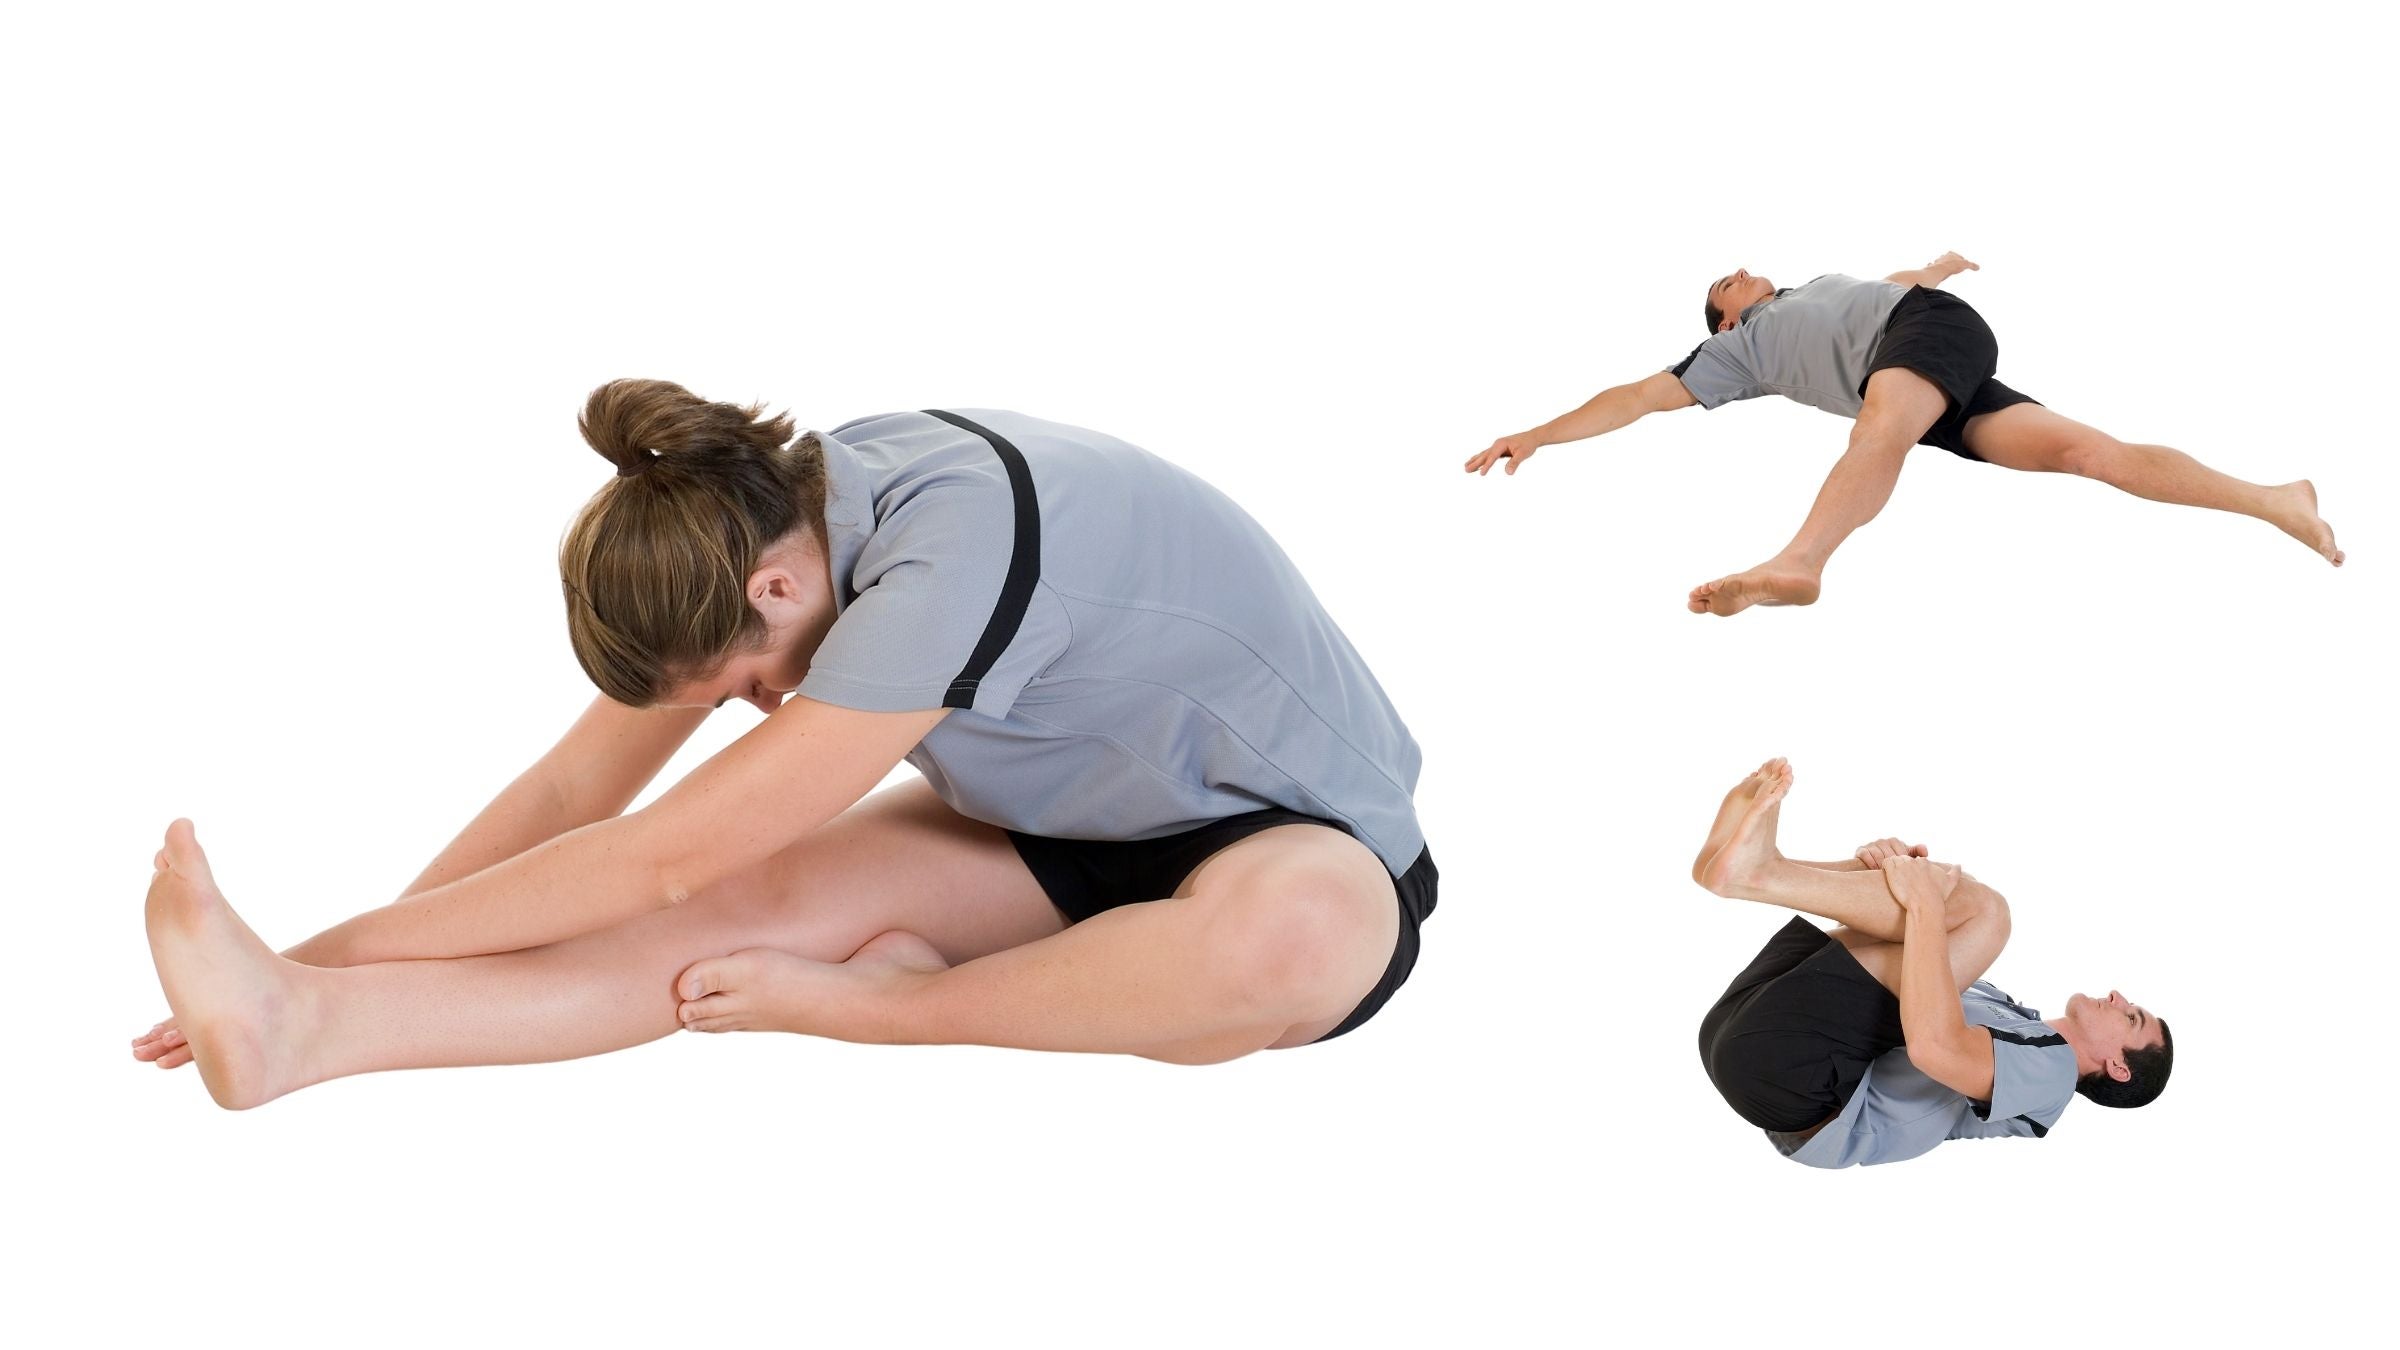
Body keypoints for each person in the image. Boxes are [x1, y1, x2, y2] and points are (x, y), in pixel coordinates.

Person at [132, 381, 1435, 1109]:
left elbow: (659, 856)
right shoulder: (765, 533)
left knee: (1289, 943)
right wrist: (293, 966)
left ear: (769, 595)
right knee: (726, 911)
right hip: (1054, 833)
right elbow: (577, 786)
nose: (760, 711)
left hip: (1296, 844)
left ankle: (905, 1007)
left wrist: (344, 931)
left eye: (744, 691)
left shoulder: (946, 557)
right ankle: (307, 1032)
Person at [1465, 253, 2342, 615]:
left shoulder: (1810, 291)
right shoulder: (1733, 356)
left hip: (1926, 334)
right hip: (1921, 377)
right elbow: (1633, 398)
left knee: (1880, 425)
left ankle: (1801, 561)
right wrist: (1537, 434)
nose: (1737, 270)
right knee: (2089, 455)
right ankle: (2274, 499)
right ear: (1722, 322)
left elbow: (1897, 286)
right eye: (1723, 282)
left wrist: (1942, 263)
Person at [1688, 759, 2170, 1168]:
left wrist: (1922, 903)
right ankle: (1761, 868)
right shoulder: (2010, 1015)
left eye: (2132, 1018)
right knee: (1954, 909)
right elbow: (1906, 957)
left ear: (2118, 1068)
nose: (2118, 998)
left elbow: (1935, 1048)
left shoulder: (2055, 1076)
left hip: (1796, 1083)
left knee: (1985, 914)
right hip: (1755, 1034)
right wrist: (1883, 876)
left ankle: (1762, 875)